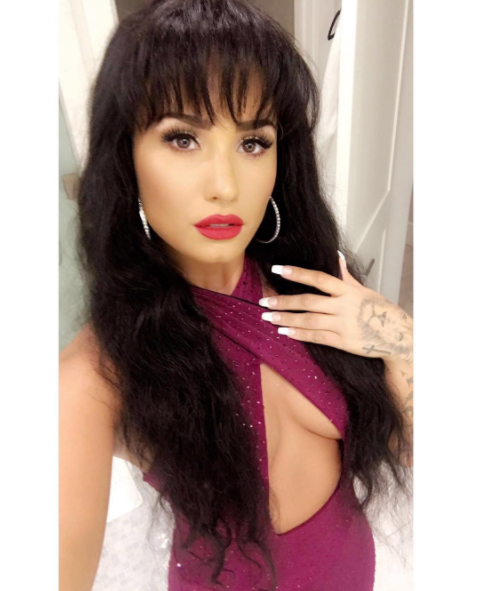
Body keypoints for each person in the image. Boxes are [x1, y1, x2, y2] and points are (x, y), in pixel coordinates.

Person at [59, 1, 413, 590]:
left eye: (253, 142)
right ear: (127, 158)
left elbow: (414, 453)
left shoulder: (316, 287)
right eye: (182, 138)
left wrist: (397, 335)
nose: (225, 185)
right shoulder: (95, 376)